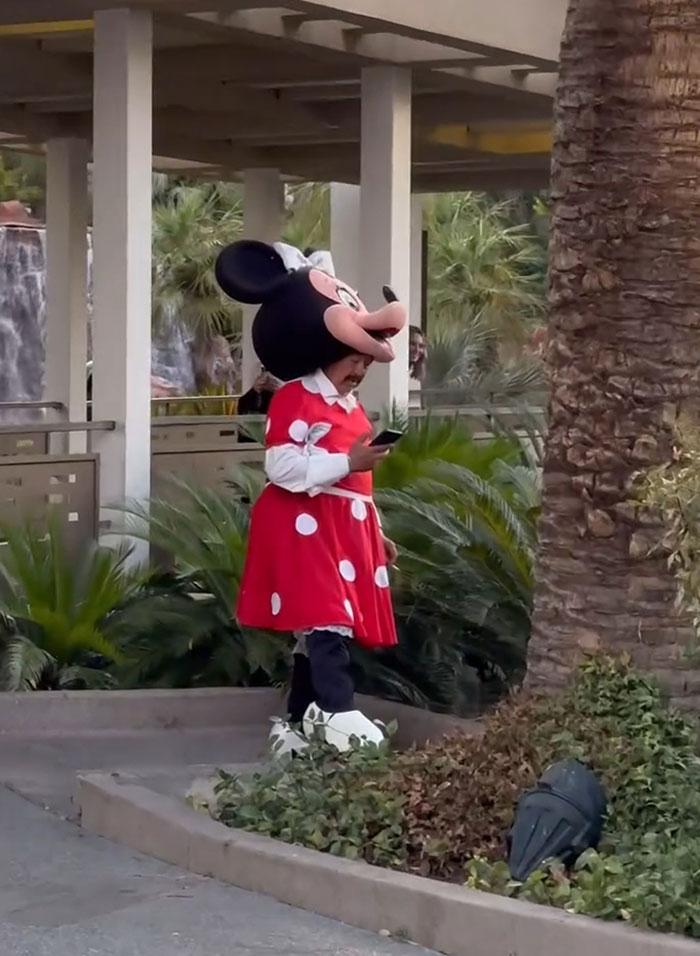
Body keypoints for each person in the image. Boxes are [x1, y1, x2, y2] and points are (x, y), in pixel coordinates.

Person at [215, 239, 407, 754]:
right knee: (327, 617)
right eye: (353, 361)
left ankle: (297, 721)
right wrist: (348, 462)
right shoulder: (294, 397)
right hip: (303, 525)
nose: (359, 372)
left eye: (365, 365)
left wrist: (377, 534)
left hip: (343, 527)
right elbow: (281, 466)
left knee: (318, 625)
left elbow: (357, 483)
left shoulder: (352, 409)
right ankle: (339, 711)